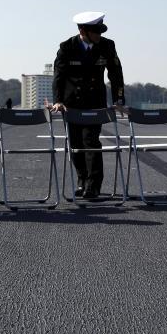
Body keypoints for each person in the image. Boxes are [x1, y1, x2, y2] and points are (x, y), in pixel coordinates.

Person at [50, 11, 126, 199]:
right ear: (83, 31)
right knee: (76, 144)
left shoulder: (107, 45)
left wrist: (118, 100)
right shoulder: (67, 47)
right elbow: (58, 76)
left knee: (90, 142)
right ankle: (82, 180)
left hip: (95, 103)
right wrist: (58, 100)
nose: (100, 36)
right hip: (72, 104)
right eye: (96, 32)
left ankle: (93, 185)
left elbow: (115, 73)